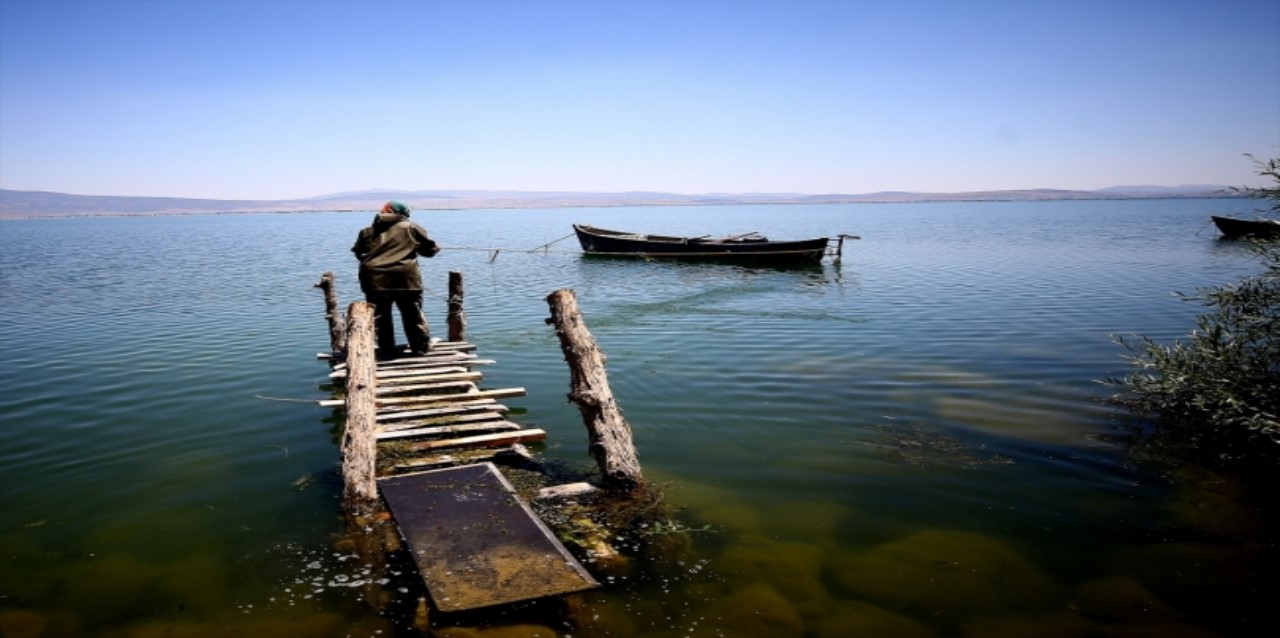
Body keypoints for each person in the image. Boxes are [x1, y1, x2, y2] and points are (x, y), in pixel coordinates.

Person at [352, 200, 440, 357]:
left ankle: (386, 351)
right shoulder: (411, 228)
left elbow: (360, 254)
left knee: (380, 317)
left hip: (374, 280)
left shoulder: (367, 231)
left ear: (386, 210)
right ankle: (420, 348)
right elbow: (429, 251)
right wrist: (433, 248)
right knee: (413, 315)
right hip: (405, 279)